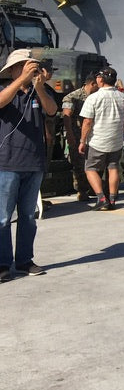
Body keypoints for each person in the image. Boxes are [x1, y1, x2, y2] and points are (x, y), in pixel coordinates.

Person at [0, 49, 58, 282]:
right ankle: (3, 263)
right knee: (3, 217)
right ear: (13, 69)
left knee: (27, 215)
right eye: (24, 65)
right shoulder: (6, 90)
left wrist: (39, 85)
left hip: (34, 163)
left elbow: (52, 110)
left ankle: (24, 260)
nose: (29, 69)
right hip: (7, 162)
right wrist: (21, 81)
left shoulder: (38, 92)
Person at [78, 67, 124, 210]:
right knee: (113, 168)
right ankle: (112, 199)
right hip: (116, 140)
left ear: (100, 79)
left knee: (90, 168)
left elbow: (87, 122)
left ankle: (101, 198)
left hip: (98, 140)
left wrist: (82, 141)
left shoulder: (93, 98)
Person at [61, 72, 99, 201]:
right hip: (77, 135)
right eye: (97, 85)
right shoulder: (73, 97)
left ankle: (94, 188)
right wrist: (70, 136)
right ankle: (82, 191)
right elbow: (66, 117)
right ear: (92, 84)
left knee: (93, 163)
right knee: (79, 164)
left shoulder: (96, 96)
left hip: (93, 135)